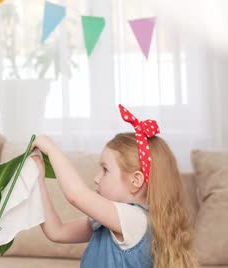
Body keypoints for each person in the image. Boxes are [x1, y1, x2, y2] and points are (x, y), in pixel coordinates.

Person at [30, 104, 197, 268]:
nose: (96, 178)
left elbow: (76, 195)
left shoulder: (136, 220)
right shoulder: (107, 221)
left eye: (105, 170)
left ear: (135, 181)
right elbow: (57, 231)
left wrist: (51, 149)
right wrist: (38, 182)